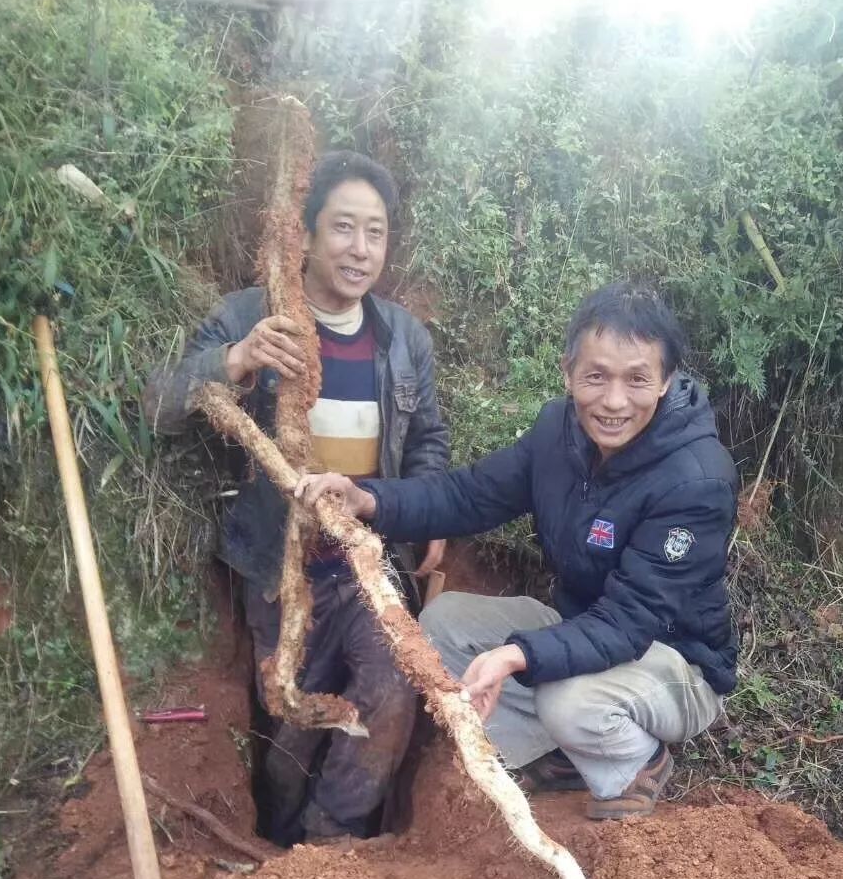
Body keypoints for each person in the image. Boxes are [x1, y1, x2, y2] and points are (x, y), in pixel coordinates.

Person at [296, 281, 737, 818]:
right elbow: (470, 496)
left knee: (568, 699)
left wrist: (517, 654)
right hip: (587, 624)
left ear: (666, 382)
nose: (614, 400)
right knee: (443, 624)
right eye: (595, 376)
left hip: (676, 664)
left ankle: (636, 761)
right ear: (568, 371)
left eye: (637, 379)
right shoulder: (559, 432)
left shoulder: (696, 480)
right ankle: (564, 756)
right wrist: (368, 499)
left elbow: (629, 622)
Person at [143, 151, 450, 844]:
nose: (360, 249)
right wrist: (235, 361)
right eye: (343, 228)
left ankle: (329, 847)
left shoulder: (403, 339)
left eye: (375, 233)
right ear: (304, 237)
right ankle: (277, 847)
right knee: (287, 727)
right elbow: (156, 403)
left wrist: (426, 508)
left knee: (394, 684)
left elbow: (429, 434)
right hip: (278, 569)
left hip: (368, 558)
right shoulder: (252, 316)